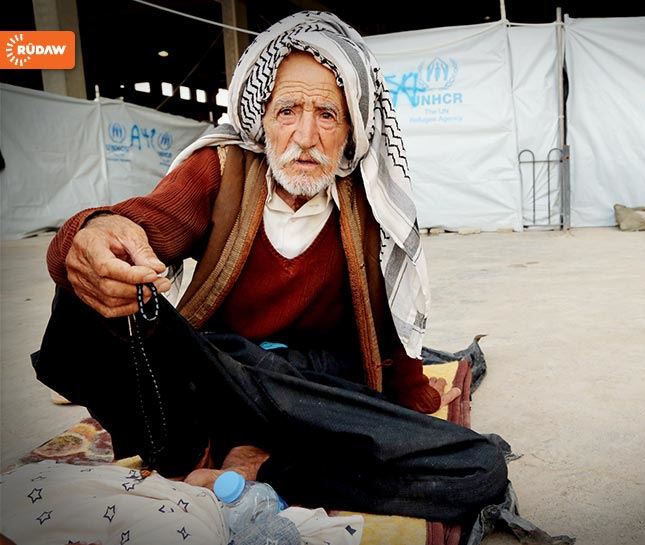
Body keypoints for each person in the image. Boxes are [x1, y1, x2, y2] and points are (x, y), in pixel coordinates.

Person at [33, 11, 508, 524]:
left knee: (477, 467)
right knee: (86, 291)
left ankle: (254, 463)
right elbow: (150, 224)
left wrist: (412, 388)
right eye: (287, 111)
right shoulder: (223, 170)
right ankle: (203, 458)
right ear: (261, 117)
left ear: (351, 129)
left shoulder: (369, 201)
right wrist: (94, 232)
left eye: (327, 114)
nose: (306, 135)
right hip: (224, 376)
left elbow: (388, 317)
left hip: (316, 391)